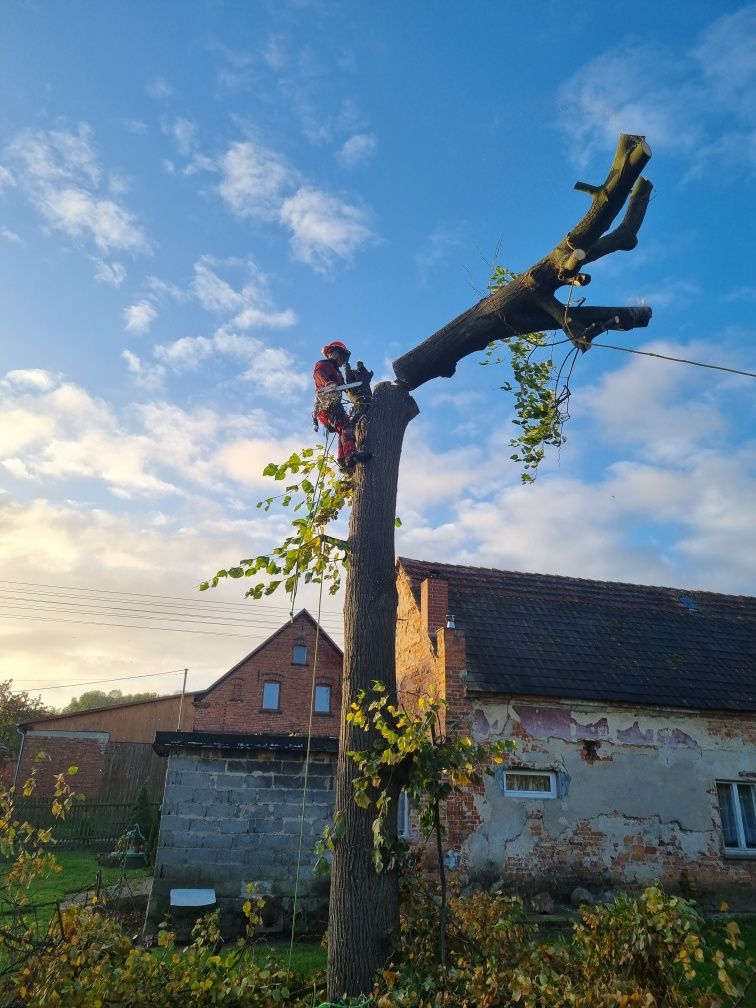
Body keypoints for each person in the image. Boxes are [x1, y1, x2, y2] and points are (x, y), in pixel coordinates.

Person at [313, 341, 371, 471]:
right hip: (326, 405)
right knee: (346, 426)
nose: (343, 360)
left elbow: (344, 387)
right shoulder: (324, 365)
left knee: (343, 428)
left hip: (334, 406)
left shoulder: (338, 373)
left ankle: (342, 460)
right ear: (333, 353)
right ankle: (351, 454)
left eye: (345, 358)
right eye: (342, 356)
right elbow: (318, 374)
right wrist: (328, 383)